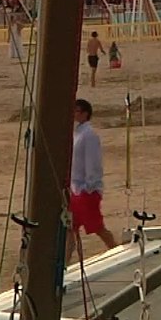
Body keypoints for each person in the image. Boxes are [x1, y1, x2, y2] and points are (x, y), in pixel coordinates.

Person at [66, 99, 118, 262]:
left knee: (97, 227)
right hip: (75, 190)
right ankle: (65, 261)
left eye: (77, 111)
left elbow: (93, 162)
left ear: (85, 113)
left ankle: (116, 251)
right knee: (70, 228)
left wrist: (89, 186)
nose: (74, 114)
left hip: (86, 190)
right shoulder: (77, 133)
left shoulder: (89, 135)